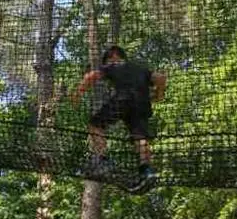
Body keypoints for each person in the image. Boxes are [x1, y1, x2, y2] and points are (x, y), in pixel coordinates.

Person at [71, 46, 167, 192]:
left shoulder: (112, 65)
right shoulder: (140, 69)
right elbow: (161, 78)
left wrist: (77, 94)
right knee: (140, 138)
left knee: (95, 125)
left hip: (123, 100)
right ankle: (147, 171)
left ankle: (102, 160)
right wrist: (159, 95)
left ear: (112, 57)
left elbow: (90, 77)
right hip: (142, 104)